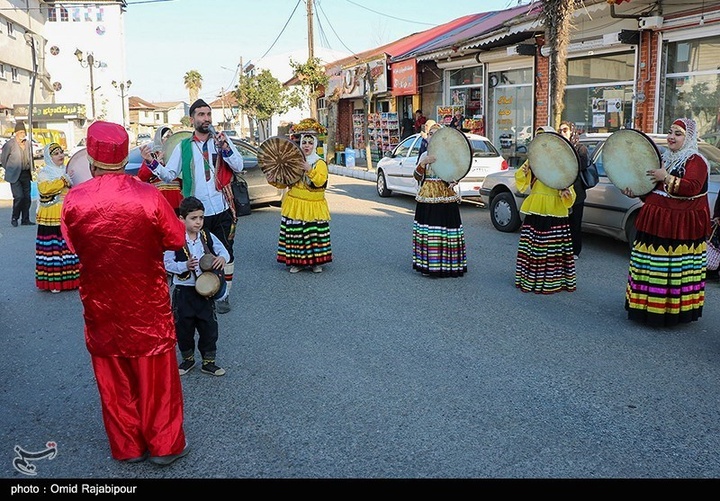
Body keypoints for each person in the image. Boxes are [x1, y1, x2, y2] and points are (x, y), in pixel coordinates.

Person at [61, 121, 189, 466]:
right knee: (156, 377)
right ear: (123, 154)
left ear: (91, 160)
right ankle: (164, 445)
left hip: (101, 304)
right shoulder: (149, 196)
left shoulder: (74, 201)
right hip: (147, 302)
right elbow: (177, 239)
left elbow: (73, 244)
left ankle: (128, 447)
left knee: (113, 376)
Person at [151, 99, 244, 314]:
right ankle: (199, 290)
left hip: (221, 207)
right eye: (201, 115)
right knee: (195, 252)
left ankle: (224, 294)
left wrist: (226, 149)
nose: (206, 118)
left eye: (208, 114)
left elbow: (238, 166)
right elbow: (170, 174)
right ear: (192, 119)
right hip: (196, 214)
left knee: (226, 253)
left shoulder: (221, 140)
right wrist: (153, 164)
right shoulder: (184, 146)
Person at [622, 117, 711, 326]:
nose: (671, 137)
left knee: (671, 269)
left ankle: (669, 312)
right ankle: (645, 307)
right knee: (651, 267)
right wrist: (634, 191)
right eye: (670, 132)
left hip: (678, 225)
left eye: (678, 134)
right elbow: (653, 190)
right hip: (655, 219)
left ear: (688, 138)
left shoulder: (696, 160)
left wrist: (666, 177)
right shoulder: (665, 157)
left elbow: (692, 187)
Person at [164, 196, 230, 377]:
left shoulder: (206, 235)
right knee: (183, 327)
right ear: (181, 219)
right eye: (194, 218)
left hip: (205, 292)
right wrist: (184, 266)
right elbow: (166, 263)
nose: (198, 222)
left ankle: (209, 362)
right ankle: (188, 359)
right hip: (184, 291)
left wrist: (222, 258)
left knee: (208, 326)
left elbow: (223, 250)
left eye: (201, 218)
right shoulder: (175, 239)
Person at [515, 126, 577, 294]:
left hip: (555, 207)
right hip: (536, 205)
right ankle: (532, 278)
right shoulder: (532, 160)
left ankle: (552, 280)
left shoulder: (561, 161)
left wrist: (566, 191)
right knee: (535, 247)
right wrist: (525, 171)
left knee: (552, 248)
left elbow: (569, 182)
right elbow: (520, 178)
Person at [268, 132, 332, 273]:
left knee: (313, 235)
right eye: (304, 143)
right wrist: (273, 179)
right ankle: (297, 263)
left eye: (310, 143)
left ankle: (316, 263)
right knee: (297, 235)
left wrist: (309, 170)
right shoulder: (293, 161)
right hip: (295, 204)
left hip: (313, 206)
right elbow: (284, 183)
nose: (306, 146)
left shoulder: (319, 163)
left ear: (314, 145)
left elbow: (321, 181)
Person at [412, 122, 467, 277]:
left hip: (446, 196)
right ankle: (431, 265)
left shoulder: (449, 155)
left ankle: (449, 265)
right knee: (429, 232)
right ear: (427, 138)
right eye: (430, 134)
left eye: (436, 134)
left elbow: (456, 173)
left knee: (446, 231)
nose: (432, 137)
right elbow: (416, 176)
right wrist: (423, 164)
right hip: (428, 197)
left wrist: (455, 181)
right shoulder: (424, 155)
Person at [35, 143, 79, 293]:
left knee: (67, 247)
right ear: (49, 157)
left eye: (61, 152)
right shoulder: (45, 173)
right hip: (51, 215)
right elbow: (44, 189)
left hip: (66, 213)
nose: (60, 155)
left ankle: (71, 280)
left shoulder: (66, 171)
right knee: (53, 248)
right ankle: (54, 282)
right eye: (56, 153)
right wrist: (63, 180)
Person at [559, 120, 591, 259]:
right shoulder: (559, 148)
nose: (562, 132)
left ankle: (575, 250)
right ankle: (562, 249)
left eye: (565, 130)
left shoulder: (580, 148)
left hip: (576, 192)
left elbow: (580, 166)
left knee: (575, 223)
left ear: (572, 131)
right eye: (560, 130)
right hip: (561, 191)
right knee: (561, 223)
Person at [138, 125, 182, 215]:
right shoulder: (152, 156)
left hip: (177, 200)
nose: (170, 139)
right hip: (159, 200)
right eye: (167, 136)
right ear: (159, 139)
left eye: (171, 136)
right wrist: (154, 163)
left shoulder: (175, 155)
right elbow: (142, 176)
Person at [1, 121, 34, 227]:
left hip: (26, 174)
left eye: (23, 132)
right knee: (19, 197)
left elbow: (31, 157)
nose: (22, 134)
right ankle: (14, 218)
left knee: (27, 198)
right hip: (15, 175)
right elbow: (3, 160)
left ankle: (25, 219)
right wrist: (10, 169)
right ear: (16, 133)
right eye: (20, 132)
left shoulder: (28, 143)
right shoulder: (9, 144)